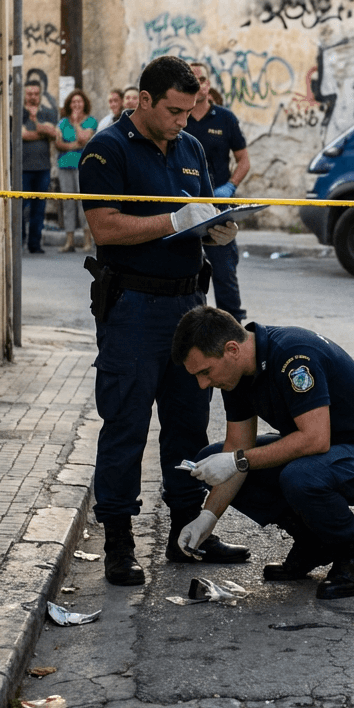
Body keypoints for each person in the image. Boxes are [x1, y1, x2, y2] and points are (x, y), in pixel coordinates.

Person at [79, 56, 249, 586]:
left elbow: (200, 213)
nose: (183, 120)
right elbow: (105, 227)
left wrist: (213, 230)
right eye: (174, 110)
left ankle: (186, 532)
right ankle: (118, 544)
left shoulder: (192, 147)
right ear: (144, 100)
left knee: (188, 426)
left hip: (187, 308)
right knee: (126, 424)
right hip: (133, 308)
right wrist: (173, 220)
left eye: (190, 109)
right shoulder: (107, 149)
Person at [170, 305, 354, 600]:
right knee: (213, 456)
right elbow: (235, 452)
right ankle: (313, 542)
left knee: (300, 475)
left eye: (205, 371)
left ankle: (353, 555)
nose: (203, 384)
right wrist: (206, 518)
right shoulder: (235, 376)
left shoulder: (293, 356)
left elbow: (314, 440)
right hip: (327, 455)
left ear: (231, 349)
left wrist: (237, 460)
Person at [185, 61, 250, 321]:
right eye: (191, 79)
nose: (197, 84)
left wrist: (230, 186)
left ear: (208, 84)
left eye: (201, 79)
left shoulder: (225, 118)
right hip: (185, 207)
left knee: (224, 272)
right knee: (186, 271)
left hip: (219, 208)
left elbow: (244, 160)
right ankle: (189, 326)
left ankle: (233, 327)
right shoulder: (178, 116)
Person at [55, 89, 98, 253]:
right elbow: (58, 143)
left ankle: (87, 241)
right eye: (73, 102)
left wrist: (76, 123)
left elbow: (84, 138)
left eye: (79, 101)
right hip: (65, 166)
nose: (76, 104)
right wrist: (75, 146)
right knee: (68, 204)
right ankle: (69, 241)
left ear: (84, 103)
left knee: (83, 203)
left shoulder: (91, 121)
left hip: (84, 166)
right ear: (69, 104)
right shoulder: (62, 122)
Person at [21, 79, 57, 253]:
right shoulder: (19, 112)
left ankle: (34, 244)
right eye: (30, 94)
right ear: (25, 94)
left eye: (36, 94)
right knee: (20, 207)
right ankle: (19, 242)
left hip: (43, 168)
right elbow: (22, 135)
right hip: (22, 169)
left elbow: (54, 134)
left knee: (39, 208)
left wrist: (36, 121)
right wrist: (43, 131)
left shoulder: (47, 112)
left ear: (40, 95)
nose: (33, 97)